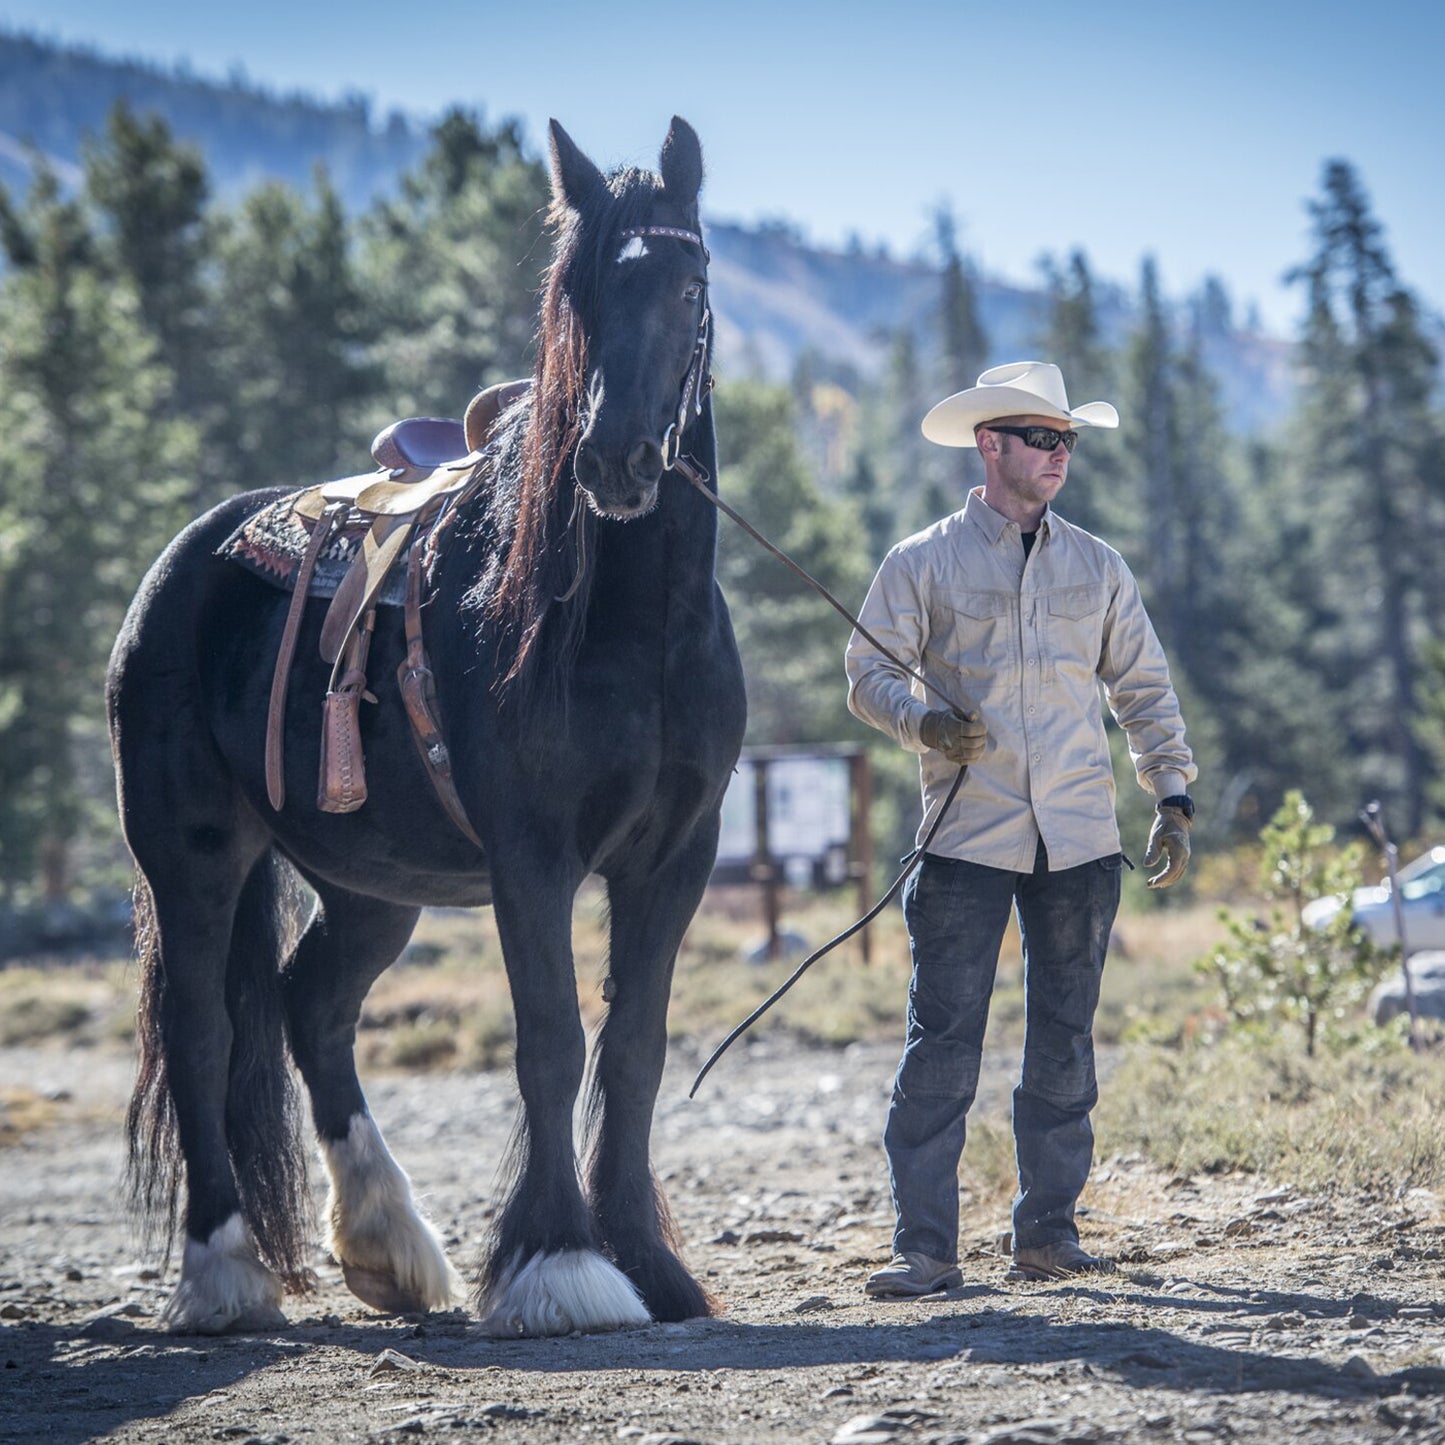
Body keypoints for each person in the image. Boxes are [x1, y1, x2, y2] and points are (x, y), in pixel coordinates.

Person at [845, 360, 1195, 1297]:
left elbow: (1143, 690)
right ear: (988, 443)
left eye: (1066, 440)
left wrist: (1171, 796)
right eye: (1041, 437)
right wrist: (920, 722)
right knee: (941, 1044)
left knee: (1065, 1041)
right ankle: (924, 1248)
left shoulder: (1099, 566)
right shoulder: (919, 562)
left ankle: (1047, 1233)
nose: (1058, 455)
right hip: (963, 839)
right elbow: (866, 675)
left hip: (1080, 838)